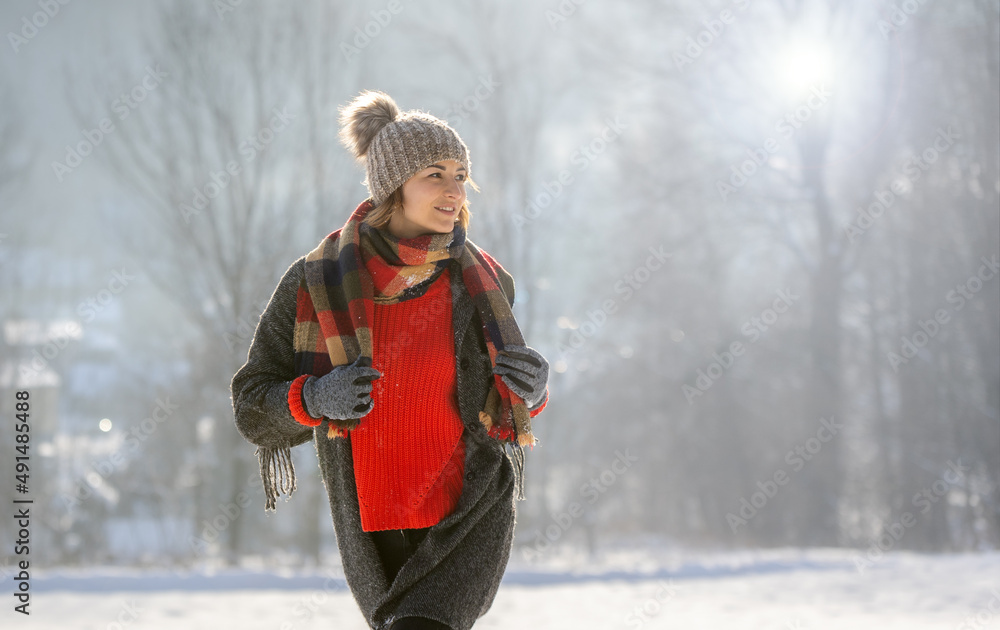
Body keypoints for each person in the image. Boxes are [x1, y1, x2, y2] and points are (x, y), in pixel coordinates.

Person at [231, 90, 550, 630]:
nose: (455, 191)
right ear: (393, 186)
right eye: (435, 174)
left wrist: (534, 393)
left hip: (468, 514)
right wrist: (312, 398)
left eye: (460, 174)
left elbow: (501, 406)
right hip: (375, 526)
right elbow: (251, 404)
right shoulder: (316, 282)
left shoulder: (486, 283)